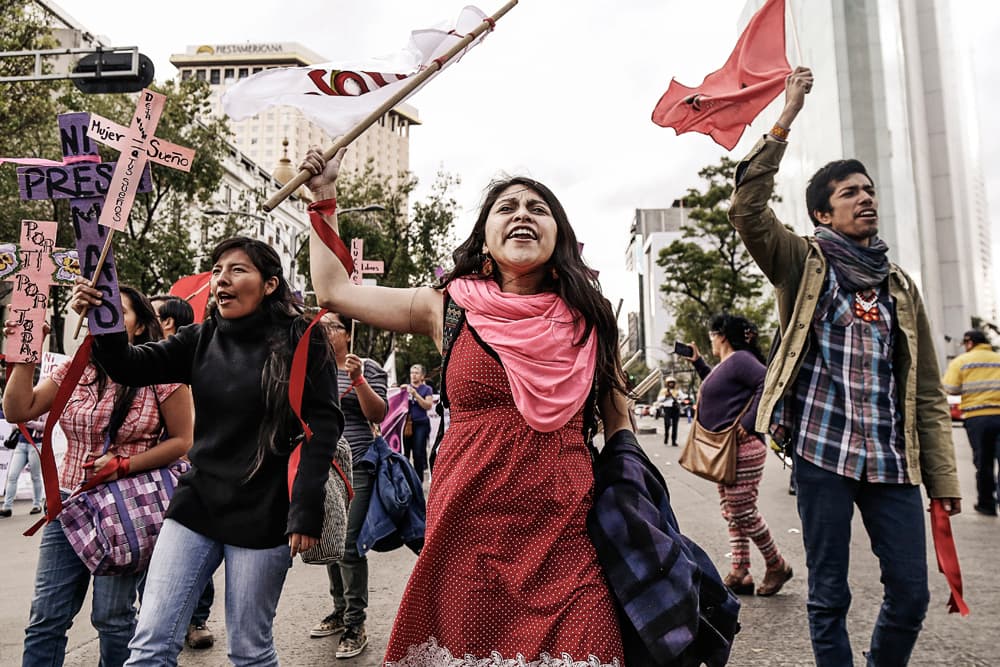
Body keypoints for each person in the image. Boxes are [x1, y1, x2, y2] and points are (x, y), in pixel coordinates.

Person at [301, 147, 632, 664]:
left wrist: (633, 487)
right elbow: (335, 290)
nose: (522, 214)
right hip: (466, 524)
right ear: (485, 236)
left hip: (566, 529)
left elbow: (617, 415)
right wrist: (324, 197)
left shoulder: (591, 314)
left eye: (538, 208)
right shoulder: (447, 306)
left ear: (559, 235)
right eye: (507, 207)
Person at [729, 66, 961, 665]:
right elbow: (747, 211)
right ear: (823, 215)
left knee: (911, 594)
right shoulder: (802, 263)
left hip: (891, 459)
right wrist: (786, 116)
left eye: (869, 190)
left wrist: (944, 480)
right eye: (850, 193)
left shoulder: (899, 286)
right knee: (829, 596)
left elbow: (927, 392)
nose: (866, 198)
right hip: (822, 455)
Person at [71, 237, 344, 667]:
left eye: (237, 269)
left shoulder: (304, 341)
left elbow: (323, 428)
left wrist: (305, 510)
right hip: (196, 505)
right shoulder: (200, 338)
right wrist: (102, 317)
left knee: (249, 652)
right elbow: (127, 365)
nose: (222, 279)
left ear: (270, 284)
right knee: (149, 645)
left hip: (265, 511)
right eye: (217, 270)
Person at [2, 286, 194, 667]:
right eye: (97, 311)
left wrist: (123, 465)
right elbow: (18, 409)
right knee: (46, 617)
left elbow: (182, 441)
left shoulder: (162, 372)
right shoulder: (75, 369)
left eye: (117, 311)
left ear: (139, 326)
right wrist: (26, 352)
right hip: (69, 505)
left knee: (113, 617)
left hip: (126, 509)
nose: (103, 317)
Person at [680, 315, 792, 596]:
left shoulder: (741, 359)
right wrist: (698, 363)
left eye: (712, 335)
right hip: (726, 450)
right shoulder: (728, 364)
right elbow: (721, 390)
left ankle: (776, 563)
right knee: (733, 511)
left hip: (742, 447)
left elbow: (767, 382)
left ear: (722, 335)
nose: (711, 340)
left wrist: (749, 421)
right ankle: (740, 571)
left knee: (742, 510)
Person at [310, 311, 388, 658]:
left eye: (331, 327)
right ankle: (340, 610)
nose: (324, 332)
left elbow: (377, 413)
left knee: (348, 545)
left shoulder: (367, 367)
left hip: (358, 465)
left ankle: (356, 623)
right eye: (320, 327)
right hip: (324, 466)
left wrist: (357, 379)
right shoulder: (315, 369)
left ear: (347, 333)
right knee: (330, 541)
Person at [150, 293, 214, 650]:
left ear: (168, 322)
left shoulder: (193, 355)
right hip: (146, 474)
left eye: (152, 313)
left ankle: (196, 618)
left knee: (194, 546)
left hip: (186, 470)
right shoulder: (146, 359)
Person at [942, 329, 1000, 516]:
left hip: (978, 418)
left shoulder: (961, 361)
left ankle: (986, 504)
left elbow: (950, 388)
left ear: (969, 343)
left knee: (983, 462)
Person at [1, 414, 44, 517]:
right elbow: (13, 425)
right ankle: (7, 507)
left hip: (36, 444)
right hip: (20, 444)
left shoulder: (42, 408)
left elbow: (46, 426)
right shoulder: (22, 407)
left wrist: (31, 424)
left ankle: (37, 504)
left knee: (35, 476)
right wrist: (19, 424)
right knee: (12, 476)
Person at [401, 364, 434, 480]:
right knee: (404, 453)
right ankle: (405, 480)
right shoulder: (406, 388)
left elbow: (428, 405)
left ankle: (419, 480)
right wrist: (400, 391)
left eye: (416, 373)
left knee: (418, 453)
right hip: (407, 424)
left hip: (421, 424)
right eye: (412, 373)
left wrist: (416, 394)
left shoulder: (427, 389)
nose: (413, 375)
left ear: (422, 376)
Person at [660, 376, 682, 446]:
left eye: (672, 383)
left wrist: (678, 401)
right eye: (670, 383)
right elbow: (659, 399)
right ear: (667, 383)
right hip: (667, 409)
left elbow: (682, 398)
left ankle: (674, 441)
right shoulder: (664, 391)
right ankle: (666, 438)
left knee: (675, 425)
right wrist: (665, 396)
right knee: (667, 424)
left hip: (675, 409)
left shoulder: (677, 391)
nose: (671, 384)